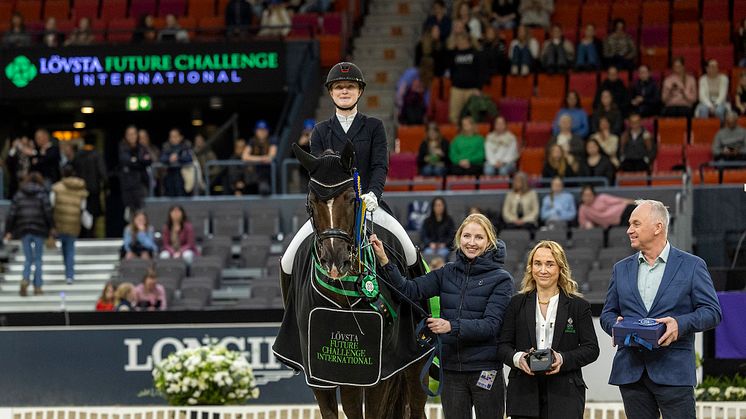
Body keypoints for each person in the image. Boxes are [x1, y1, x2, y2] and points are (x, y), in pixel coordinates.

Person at [281, 62, 419, 282]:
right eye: (338, 87)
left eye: (350, 86)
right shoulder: (320, 131)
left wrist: (373, 194)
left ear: (360, 91)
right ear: (331, 92)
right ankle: (292, 316)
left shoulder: (374, 127)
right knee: (287, 262)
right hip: (330, 210)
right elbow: (318, 173)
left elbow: (379, 166)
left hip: (369, 205)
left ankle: (418, 311)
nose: (344, 91)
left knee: (410, 253)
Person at [371, 213, 514, 419]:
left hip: (485, 369)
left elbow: (491, 326)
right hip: (452, 370)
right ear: (459, 238)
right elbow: (408, 290)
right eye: (466, 236)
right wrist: (384, 260)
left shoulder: (501, 280)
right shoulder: (447, 272)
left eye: (478, 237)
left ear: (489, 241)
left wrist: (450, 326)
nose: (471, 243)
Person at [601, 200, 722, 419]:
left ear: (658, 227)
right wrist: (615, 326)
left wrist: (680, 324)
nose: (629, 230)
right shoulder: (621, 269)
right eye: (630, 224)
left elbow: (713, 312)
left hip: (674, 373)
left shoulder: (692, 265)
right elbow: (608, 313)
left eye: (636, 224)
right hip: (631, 373)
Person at [498, 240, 599, 419]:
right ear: (530, 267)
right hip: (523, 395)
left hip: (565, 396)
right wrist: (518, 358)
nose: (543, 270)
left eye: (549, 264)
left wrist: (562, 358)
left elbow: (591, 349)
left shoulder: (578, 306)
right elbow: (502, 346)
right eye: (537, 263)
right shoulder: (516, 303)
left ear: (560, 268)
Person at [4, 172, 54, 296]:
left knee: (28, 258)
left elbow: (12, 214)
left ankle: (25, 279)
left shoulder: (19, 194)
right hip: (39, 229)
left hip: (24, 229)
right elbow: (47, 212)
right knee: (38, 259)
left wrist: (8, 230)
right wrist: (51, 228)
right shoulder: (42, 194)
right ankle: (38, 286)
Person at [51, 165, 89, 285]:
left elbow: (51, 204)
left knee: (64, 248)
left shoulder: (56, 188)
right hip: (74, 223)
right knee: (70, 248)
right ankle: (69, 275)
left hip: (60, 222)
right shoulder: (80, 189)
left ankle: (68, 272)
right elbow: (83, 206)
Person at [448, 32, 487, 123]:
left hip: (472, 89)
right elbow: (451, 69)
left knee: (473, 115)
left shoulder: (476, 54)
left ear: (467, 41)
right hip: (457, 89)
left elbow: (481, 72)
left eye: (460, 40)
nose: (458, 42)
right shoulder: (454, 54)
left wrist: (478, 88)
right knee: (454, 116)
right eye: (457, 40)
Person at [118, 125, 152, 219]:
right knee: (131, 214)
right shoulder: (122, 148)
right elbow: (126, 161)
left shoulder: (142, 147)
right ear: (126, 136)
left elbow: (148, 161)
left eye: (134, 134)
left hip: (141, 184)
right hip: (128, 186)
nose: (132, 136)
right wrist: (139, 161)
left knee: (143, 212)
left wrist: (136, 161)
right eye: (129, 134)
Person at [241, 120, 277, 195]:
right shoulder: (252, 141)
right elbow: (244, 156)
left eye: (264, 130)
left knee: (264, 190)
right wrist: (261, 159)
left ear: (267, 131)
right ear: (256, 131)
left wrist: (253, 159)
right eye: (260, 130)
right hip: (253, 174)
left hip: (266, 174)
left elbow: (270, 157)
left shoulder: (272, 140)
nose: (262, 132)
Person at [160, 128, 193, 197]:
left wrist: (178, 157)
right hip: (170, 174)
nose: (173, 139)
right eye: (171, 136)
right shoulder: (166, 146)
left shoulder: (186, 146)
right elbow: (162, 158)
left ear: (181, 137)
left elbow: (190, 158)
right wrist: (169, 158)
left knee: (182, 195)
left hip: (183, 175)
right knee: (170, 194)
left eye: (175, 136)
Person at [294, 118, 315, 191]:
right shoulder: (299, 140)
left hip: (315, 171)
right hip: (303, 171)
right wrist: (300, 144)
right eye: (307, 130)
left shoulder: (318, 139)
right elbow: (294, 155)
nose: (308, 132)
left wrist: (311, 139)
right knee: (303, 192)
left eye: (311, 130)